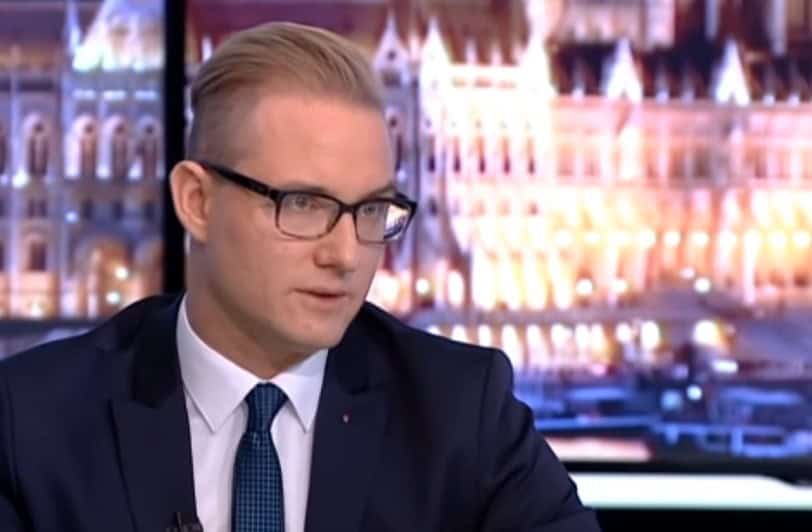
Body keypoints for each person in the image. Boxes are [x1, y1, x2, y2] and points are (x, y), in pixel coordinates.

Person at [0, 22, 601, 532]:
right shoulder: (29, 424)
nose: (347, 254)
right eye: (305, 205)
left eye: (372, 210)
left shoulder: (464, 415)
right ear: (197, 202)